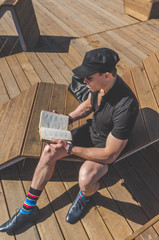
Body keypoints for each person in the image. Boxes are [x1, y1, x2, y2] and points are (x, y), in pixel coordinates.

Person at [0, 48, 139, 232]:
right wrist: (66, 119)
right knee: (49, 150)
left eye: (88, 78)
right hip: (92, 131)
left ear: (106, 75)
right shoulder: (101, 86)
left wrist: (69, 149)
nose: (84, 81)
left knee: (86, 179)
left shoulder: (126, 107)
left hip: (105, 147)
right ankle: (27, 209)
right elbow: (89, 105)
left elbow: (110, 154)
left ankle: (85, 196)